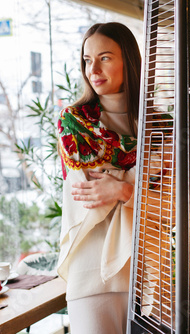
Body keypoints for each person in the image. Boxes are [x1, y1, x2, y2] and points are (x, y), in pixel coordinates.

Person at [56, 22, 141, 334]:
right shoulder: (74, 123)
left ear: (128, 61)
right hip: (92, 273)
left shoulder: (160, 126)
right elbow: (91, 196)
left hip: (149, 274)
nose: (93, 68)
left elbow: (177, 204)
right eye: (87, 59)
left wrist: (123, 189)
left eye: (104, 57)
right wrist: (144, 181)